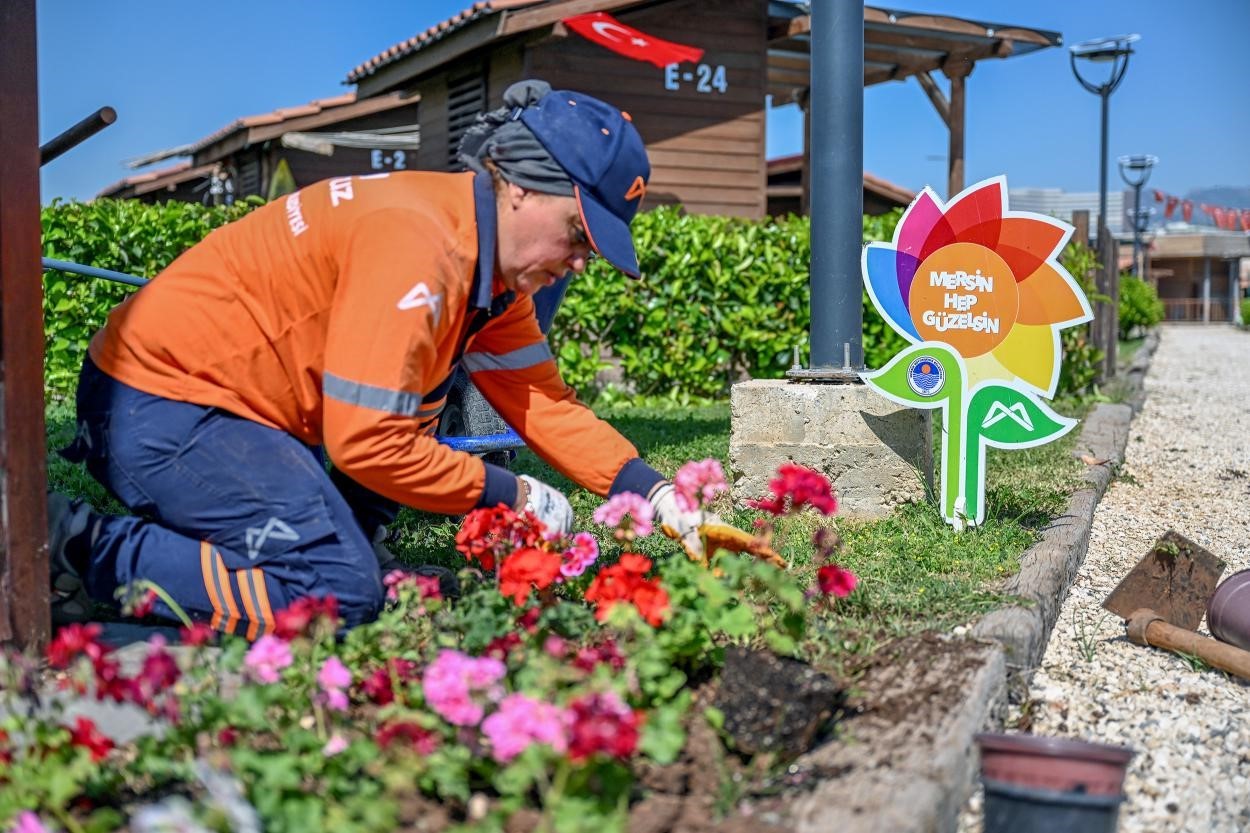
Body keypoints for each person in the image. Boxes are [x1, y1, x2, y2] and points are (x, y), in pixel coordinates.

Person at [47, 80, 713, 638]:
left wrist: (656, 492)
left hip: (229, 409)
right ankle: (74, 543)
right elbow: (367, 442)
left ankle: (336, 544)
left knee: (402, 428)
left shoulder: (487, 272)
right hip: (153, 406)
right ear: (520, 188)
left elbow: (544, 404)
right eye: (577, 235)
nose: (579, 263)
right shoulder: (421, 245)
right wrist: (512, 492)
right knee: (337, 593)